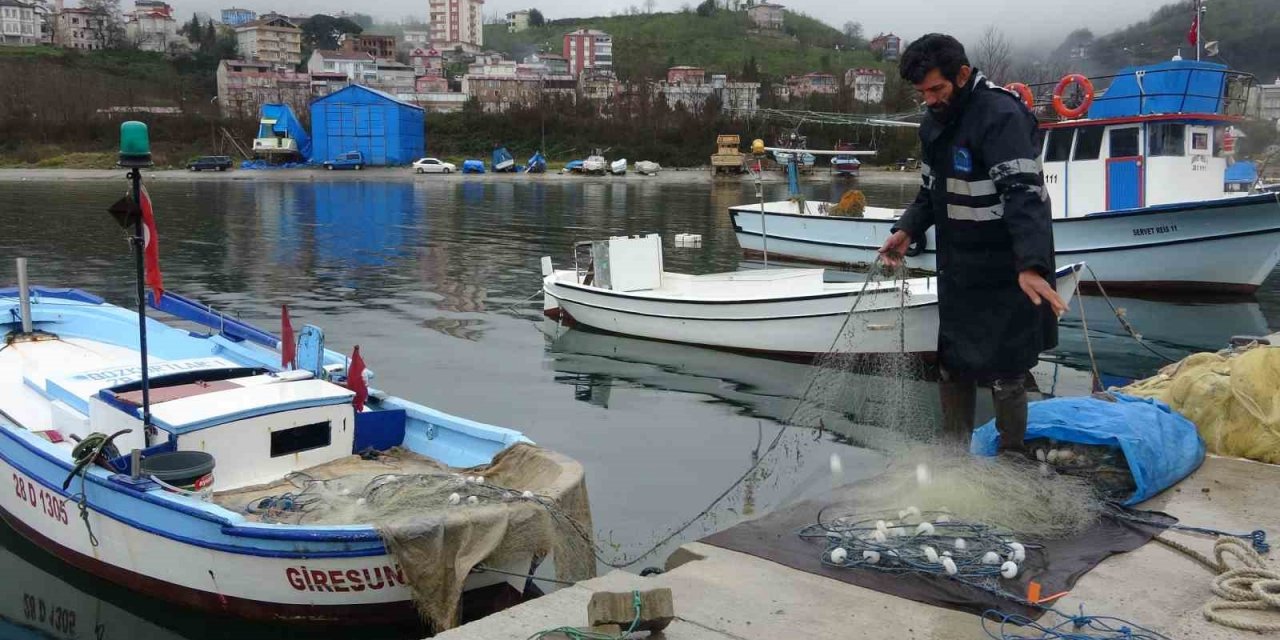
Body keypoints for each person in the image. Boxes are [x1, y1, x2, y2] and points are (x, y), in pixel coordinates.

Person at [878, 34, 1067, 454]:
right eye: (922, 92)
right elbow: (931, 192)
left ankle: (1013, 459)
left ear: (962, 75)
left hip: (1008, 269)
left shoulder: (1001, 116)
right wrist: (907, 228)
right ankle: (953, 460)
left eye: (937, 89)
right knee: (953, 366)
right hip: (959, 269)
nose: (929, 100)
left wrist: (1032, 266)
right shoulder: (934, 126)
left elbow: (1024, 194)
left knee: (1007, 372)